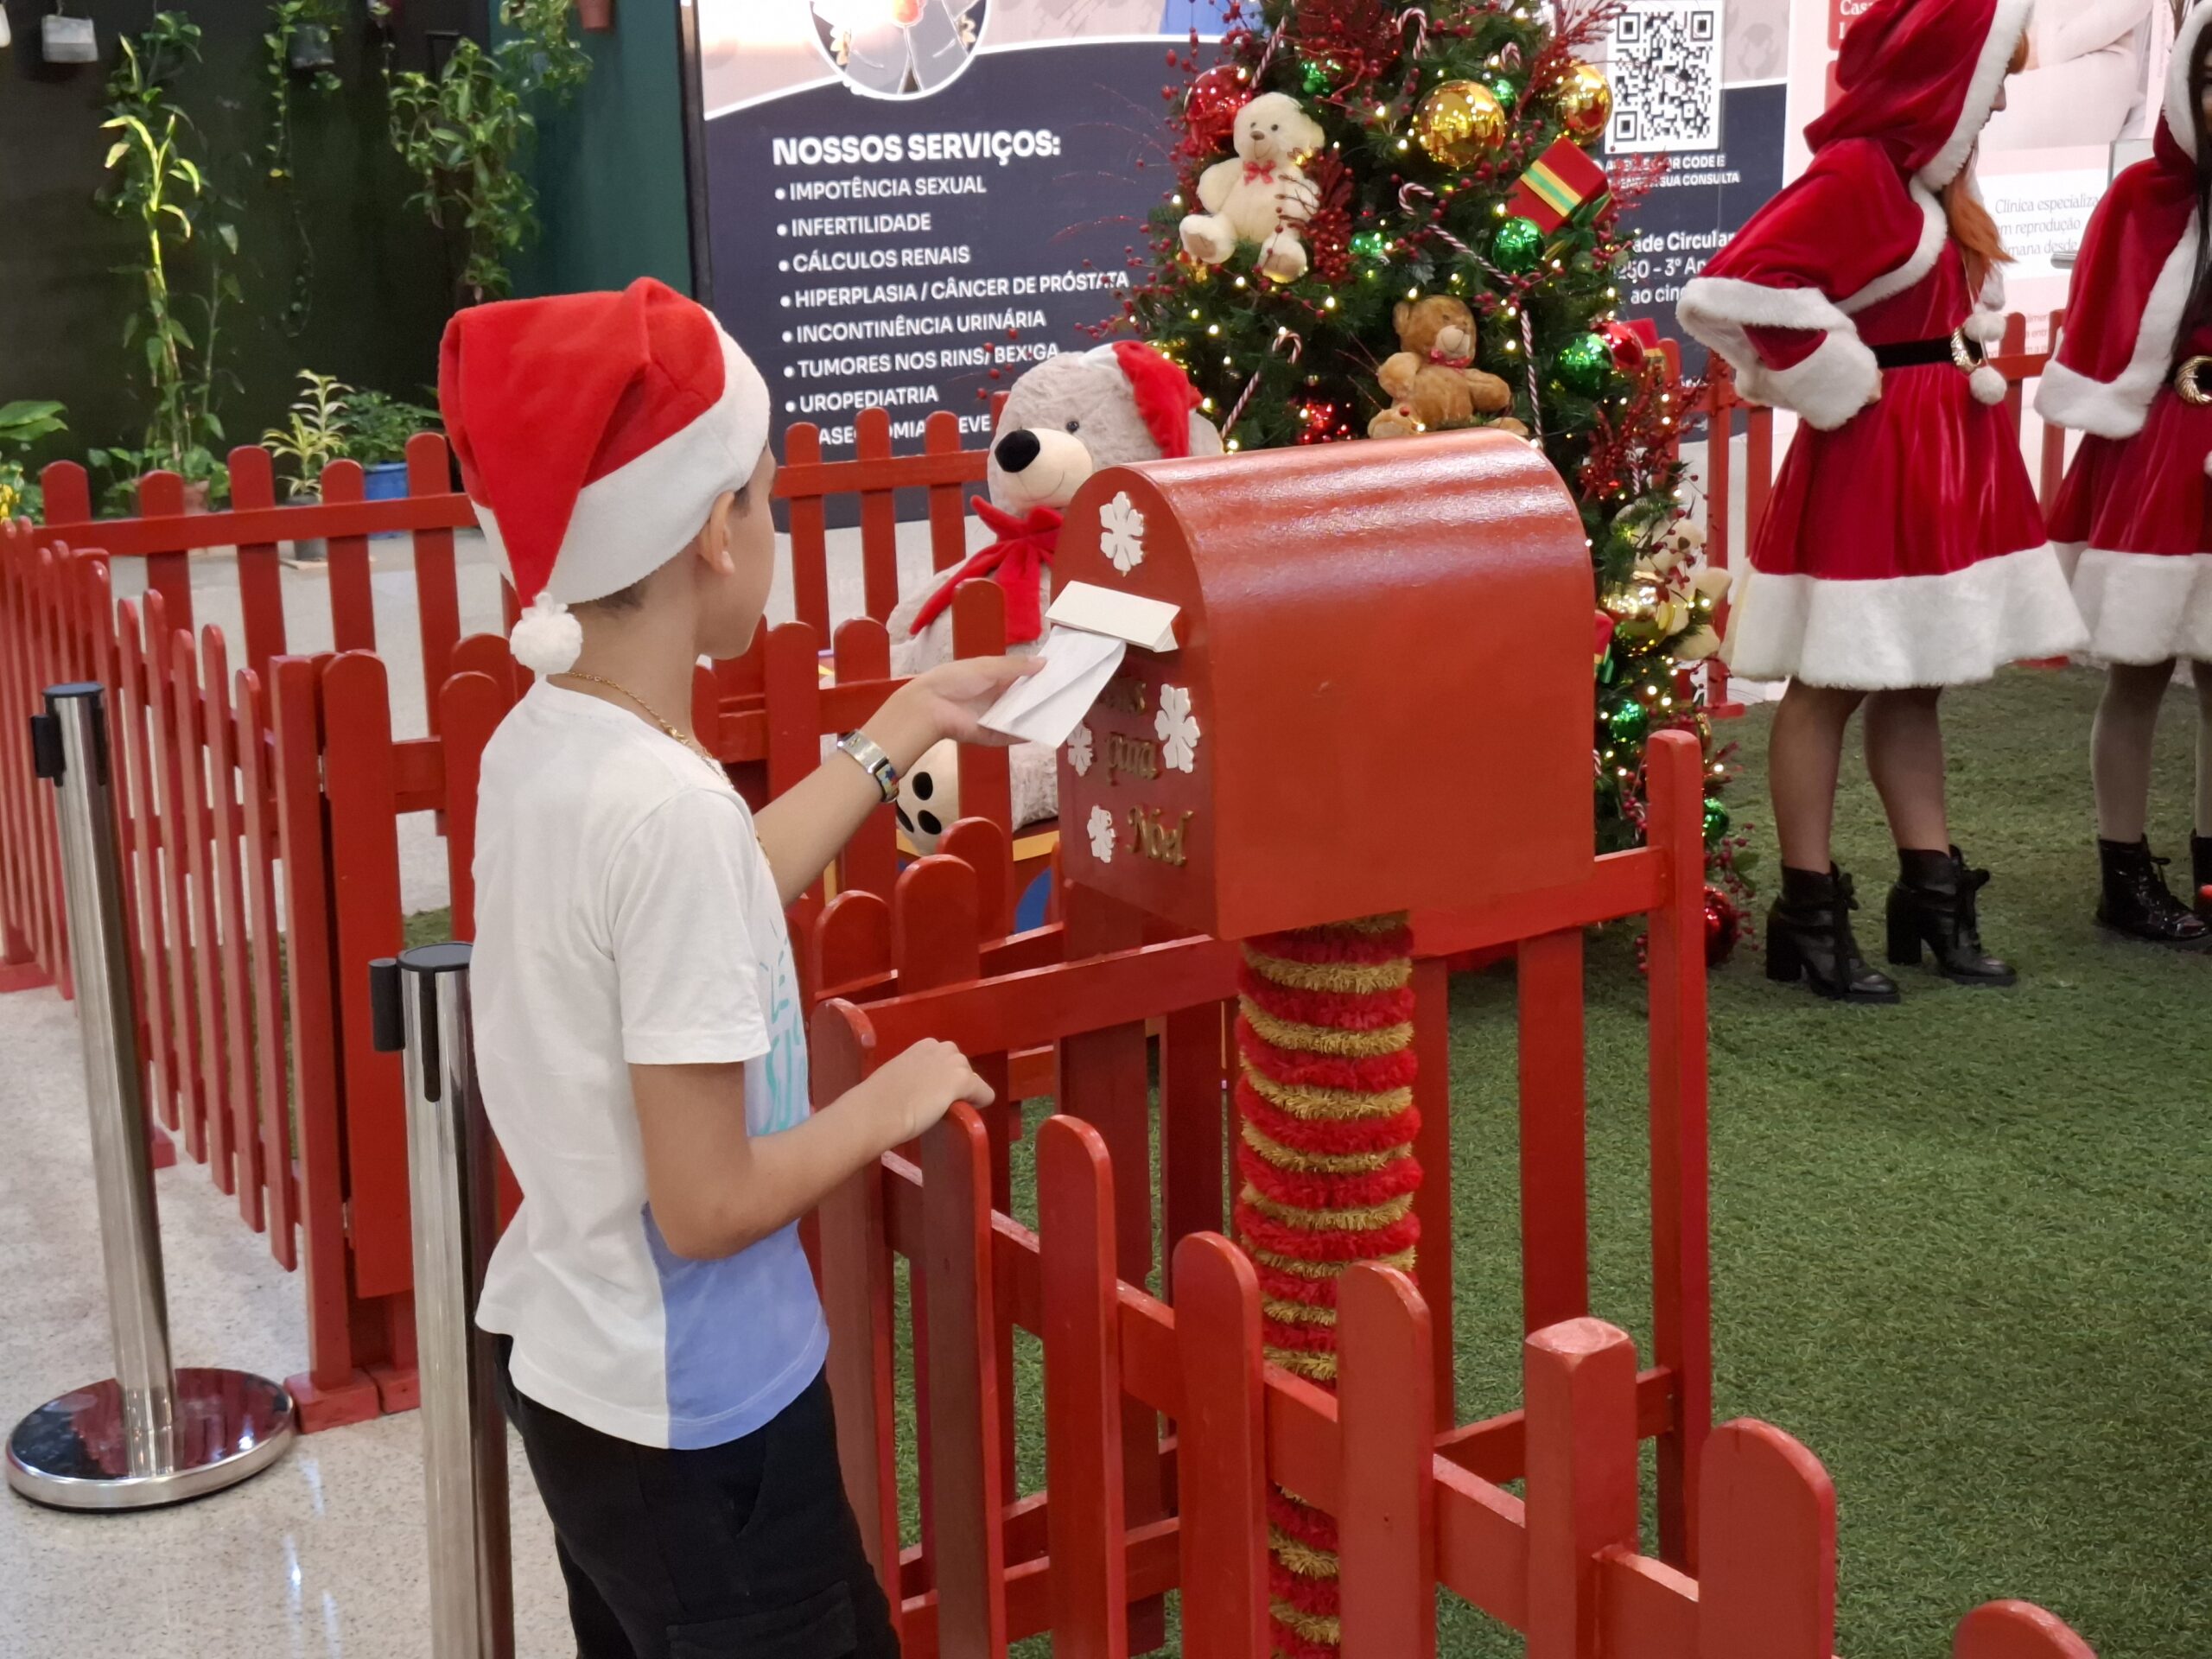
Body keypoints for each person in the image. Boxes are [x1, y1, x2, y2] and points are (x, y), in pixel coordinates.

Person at [444, 277, 1035, 1658]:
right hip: (704, 1425)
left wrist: (898, 726)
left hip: (583, 1378)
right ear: (717, 528)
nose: (771, 525)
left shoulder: (550, 738)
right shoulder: (665, 812)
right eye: (767, 497)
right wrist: (887, 1104)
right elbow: (706, 1204)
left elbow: (695, 906)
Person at [1679, 0, 2086, 1004]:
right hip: (1876, 448)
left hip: (1939, 440)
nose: (2001, 97)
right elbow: (1733, 287)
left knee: (1914, 683)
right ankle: (1810, 914)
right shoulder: (1859, 171)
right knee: (1828, 681)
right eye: (1993, 75)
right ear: (1943, 74)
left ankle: (1930, 894)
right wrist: (1839, 377)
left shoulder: (1928, 178)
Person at [2037, 0, 2212, 945]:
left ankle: (2211, 872)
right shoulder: (2140, 197)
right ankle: (2125, 871)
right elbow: (2103, 323)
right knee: (2139, 673)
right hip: (2156, 454)